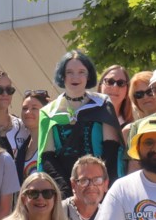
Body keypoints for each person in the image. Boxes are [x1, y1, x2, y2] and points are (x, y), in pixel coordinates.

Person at [38, 50, 121, 198]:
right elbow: (47, 158)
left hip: (100, 187)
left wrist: (98, 184)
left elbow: (111, 150)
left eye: (81, 72)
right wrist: (67, 190)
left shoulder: (103, 104)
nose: (75, 77)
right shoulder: (48, 112)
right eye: (69, 72)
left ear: (88, 76)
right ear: (62, 76)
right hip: (66, 190)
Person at [15, 90, 50, 183]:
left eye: (34, 108)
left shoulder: (52, 143)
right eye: (25, 108)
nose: (28, 112)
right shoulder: (22, 148)